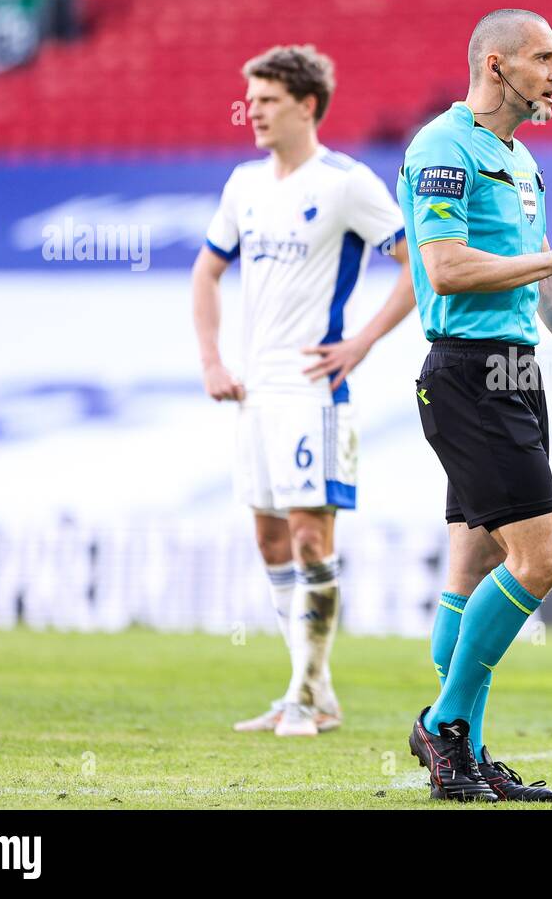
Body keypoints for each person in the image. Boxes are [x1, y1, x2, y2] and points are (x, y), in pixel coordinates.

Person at [397, 9, 552, 801]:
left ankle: (460, 751)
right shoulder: (442, 146)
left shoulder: (521, 161)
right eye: (546, 60)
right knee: (542, 560)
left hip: (515, 372)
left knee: (473, 563)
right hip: (469, 374)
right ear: (497, 65)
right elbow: (443, 268)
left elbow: (541, 282)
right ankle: (446, 727)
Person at [192, 44, 414, 738]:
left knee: (312, 537)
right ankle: (312, 693)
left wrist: (362, 341)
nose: (252, 111)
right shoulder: (242, 186)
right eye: (250, 100)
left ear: (307, 104)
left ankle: (303, 695)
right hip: (254, 394)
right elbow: (205, 274)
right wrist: (211, 361)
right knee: (269, 540)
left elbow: (416, 265)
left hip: (313, 391)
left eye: (266, 100)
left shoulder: (347, 183)